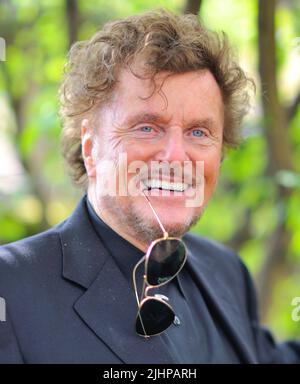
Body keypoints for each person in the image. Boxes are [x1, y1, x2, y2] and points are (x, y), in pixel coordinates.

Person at [0, 10, 299, 364]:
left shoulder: (227, 272)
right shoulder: (12, 287)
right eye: (147, 127)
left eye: (199, 132)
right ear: (91, 146)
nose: (175, 157)